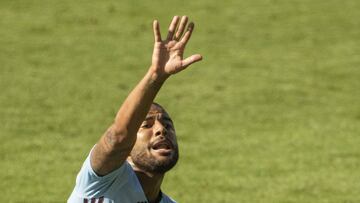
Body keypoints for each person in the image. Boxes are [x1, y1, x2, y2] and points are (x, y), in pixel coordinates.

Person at [67, 15, 202, 203]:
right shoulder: (102, 178)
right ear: (128, 150)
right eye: (146, 125)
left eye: (168, 125)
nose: (161, 129)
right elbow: (118, 137)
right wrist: (156, 76)